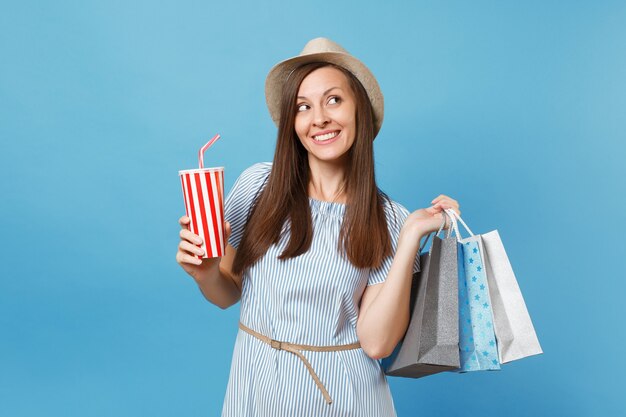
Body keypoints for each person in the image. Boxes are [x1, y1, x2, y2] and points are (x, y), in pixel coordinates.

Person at [176, 37, 461, 416]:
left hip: (344, 397)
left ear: (359, 109)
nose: (319, 119)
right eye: (303, 107)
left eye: (333, 100)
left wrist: (409, 237)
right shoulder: (258, 186)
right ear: (292, 123)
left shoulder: (388, 217)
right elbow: (227, 294)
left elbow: (377, 344)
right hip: (256, 388)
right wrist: (206, 272)